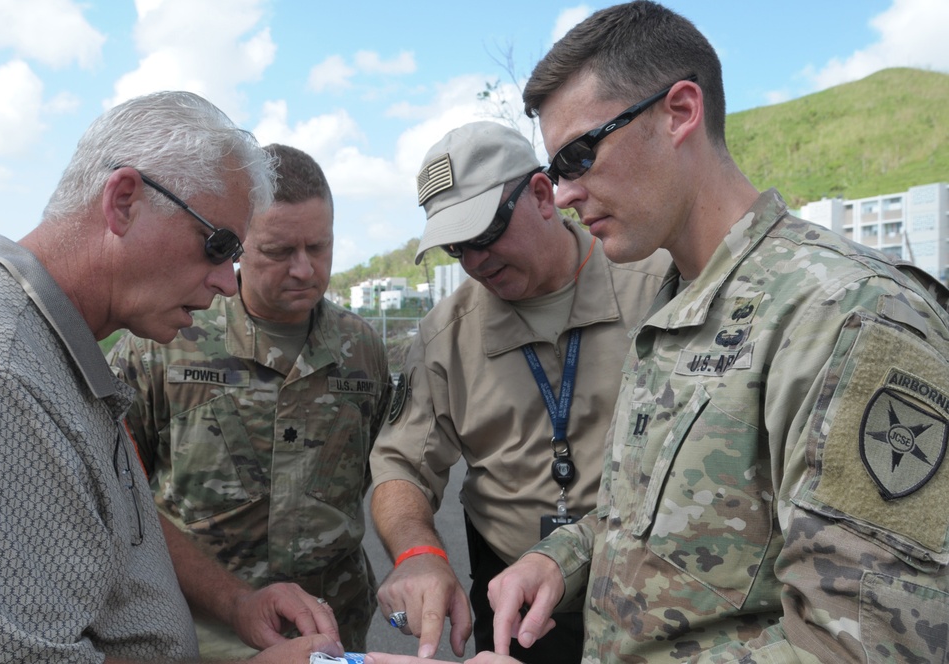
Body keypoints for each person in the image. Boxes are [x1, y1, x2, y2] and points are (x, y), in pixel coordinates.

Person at [366, 2, 949, 663]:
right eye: (558, 169)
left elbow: (871, 646)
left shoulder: (850, 316)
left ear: (680, 113)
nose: (564, 195)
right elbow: (660, 518)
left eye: (580, 156)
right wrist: (561, 558)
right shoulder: (682, 306)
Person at [0, 90, 344, 662]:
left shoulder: (52, 348)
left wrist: (234, 603)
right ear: (125, 201)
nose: (228, 283)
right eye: (219, 246)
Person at [368, 121, 670, 662]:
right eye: (458, 248)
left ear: (540, 194)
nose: (476, 261)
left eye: (486, 234)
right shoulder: (445, 335)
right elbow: (401, 465)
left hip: (655, 583)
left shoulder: (659, 285)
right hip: (517, 597)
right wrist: (417, 552)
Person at [109, 143, 391, 657]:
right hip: (202, 633)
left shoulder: (363, 348)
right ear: (239, 245)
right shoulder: (166, 340)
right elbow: (122, 492)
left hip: (332, 631)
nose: (304, 270)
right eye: (279, 252)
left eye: (319, 248)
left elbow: (374, 464)